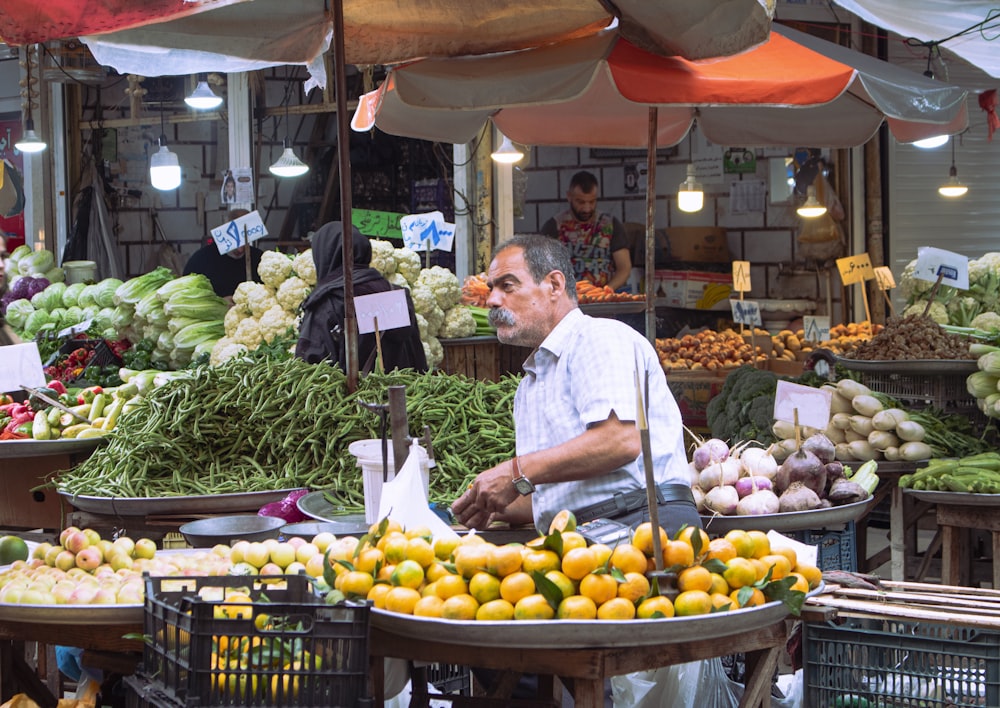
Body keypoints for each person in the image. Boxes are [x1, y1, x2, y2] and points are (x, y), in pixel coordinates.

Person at [451, 234, 698, 536]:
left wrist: (515, 472)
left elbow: (618, 441)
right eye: (492, 289)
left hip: (641, 525)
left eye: (507, 286)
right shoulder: (529, 386)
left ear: (554, 285)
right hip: (580, 535)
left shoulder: (597, 338)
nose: (492, 300)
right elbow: (560, 494)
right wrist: (492, 504)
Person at [295, 221, 427, 373]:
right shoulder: (395, 295)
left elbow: (309, 368)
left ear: (323, 256)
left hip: (351, 396)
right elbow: (417, 358)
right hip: (402, 394)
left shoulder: (328, 303)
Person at [540, 170, 632, 291]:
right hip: (567, 299)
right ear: (569, 197)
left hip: (603, 297)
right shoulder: (554, 226)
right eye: (581, 202)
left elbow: (624, 267)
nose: (587, 208)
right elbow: (542, 267)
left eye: (592, 201)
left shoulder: (610, 224)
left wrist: (608, 289)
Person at [183, 209, 264, 299]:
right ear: (226, 232)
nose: (240, 250)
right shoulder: (201, 259)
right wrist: (219, 302)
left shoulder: (260, 260)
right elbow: (186, 293)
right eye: (236, 240)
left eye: (245, 240)